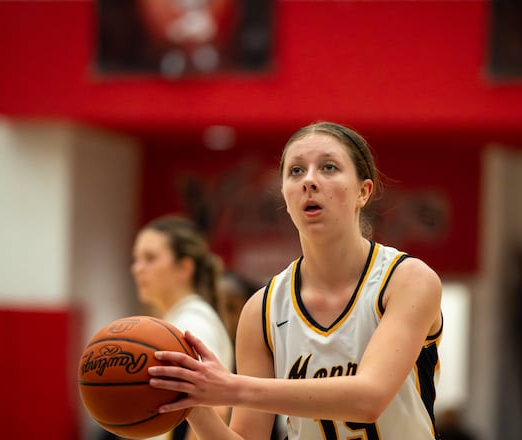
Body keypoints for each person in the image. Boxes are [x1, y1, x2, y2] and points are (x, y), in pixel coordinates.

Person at [147, 121, 444, 439]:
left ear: (363, 192)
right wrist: (196, 404)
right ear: (285, 198)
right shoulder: (261, 310)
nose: (310, 181)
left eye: (329, 167)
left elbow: (369, 397)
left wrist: (230, 387)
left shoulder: (408, 280)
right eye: (296, 171)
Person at [131, 215, 234, 440]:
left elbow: (213, 409)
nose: (137, 268)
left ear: (184, 268)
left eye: (150, 258)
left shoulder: (192, 322)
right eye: (136, 259)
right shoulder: (177, 319)